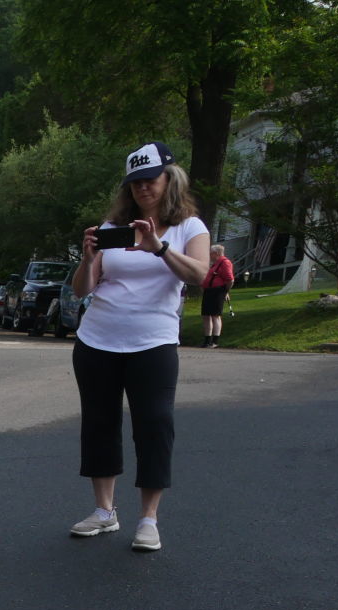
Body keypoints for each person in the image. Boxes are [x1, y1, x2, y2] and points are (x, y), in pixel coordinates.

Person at [67, 141, 210, 553]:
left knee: (154, 424)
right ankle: (104, 512)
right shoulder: (114, 226)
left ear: (170, 180)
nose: (143, 189)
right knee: (99, 423)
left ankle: (148, 519)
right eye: (135, 184)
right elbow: (83, 290)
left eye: (150, 180)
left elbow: (200, 275)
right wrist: (87, 258)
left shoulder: (189, 227)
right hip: (97, 341)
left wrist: (159, 248)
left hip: (154, 344)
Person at [200, 244, 234, 348]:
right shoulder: (215, 264)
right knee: (206, 315)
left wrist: (225, 291)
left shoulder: (224, 263)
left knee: (215, 315)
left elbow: (230, 279)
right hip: (209, 291)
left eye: (211, 253)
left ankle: (215, 341)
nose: (209, 255)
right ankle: (207, 340)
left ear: (217, 253)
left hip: (218, 291)